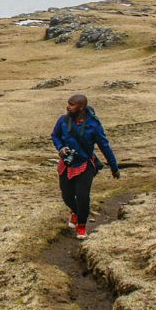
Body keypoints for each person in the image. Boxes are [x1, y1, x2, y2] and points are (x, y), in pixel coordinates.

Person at [51, 93, 119, 240]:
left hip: (85, 164)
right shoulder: (63, 120)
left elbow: (104, 146)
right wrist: (60, 147)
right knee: (67, 195)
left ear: (81, 107)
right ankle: (75, 212)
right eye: (68, 103)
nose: (68, 106)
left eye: (71, 104)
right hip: (66, 164)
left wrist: (114, 167)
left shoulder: (93, 125)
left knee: (82, 197)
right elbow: (55, 135)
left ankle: (81, 225)